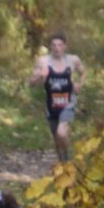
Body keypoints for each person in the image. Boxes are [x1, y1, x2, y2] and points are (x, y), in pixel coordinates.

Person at [30, 32, 86, 162]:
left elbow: (83, 72)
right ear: (50, 46)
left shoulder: (72, 60)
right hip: (52, 104)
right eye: (54, 45)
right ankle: (62, 164)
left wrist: (79, 85)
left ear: (65, 46)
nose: (56, 48)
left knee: (62, 133)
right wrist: (40, 75)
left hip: (68, 102)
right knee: (57, 138)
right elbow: (31, 83)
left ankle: (67, 161)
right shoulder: (43, 61)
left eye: (60, 45)